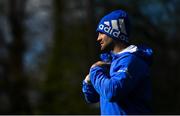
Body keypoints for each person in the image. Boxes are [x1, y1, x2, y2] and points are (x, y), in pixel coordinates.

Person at [82, 9, 153, 115]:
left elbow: (112, 92)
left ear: (113, 32)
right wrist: (88, 82)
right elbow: (92, 98)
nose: (98, 38)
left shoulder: (132, 60)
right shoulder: (109, 63)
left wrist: (95, 71)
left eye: (101, 33)